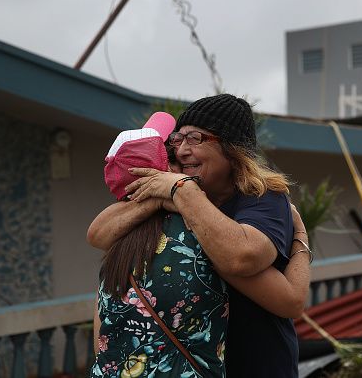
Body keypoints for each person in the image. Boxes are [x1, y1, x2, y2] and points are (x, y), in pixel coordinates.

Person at [90, 106, 311, 377]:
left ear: (232, 149)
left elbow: (244, 258)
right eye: (177, 140)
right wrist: (167, 196)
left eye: (195, 138)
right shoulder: (168, 209)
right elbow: (98, 234)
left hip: (259, 363)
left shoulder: (262, 198)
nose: (182, 150)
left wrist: (181, 191)